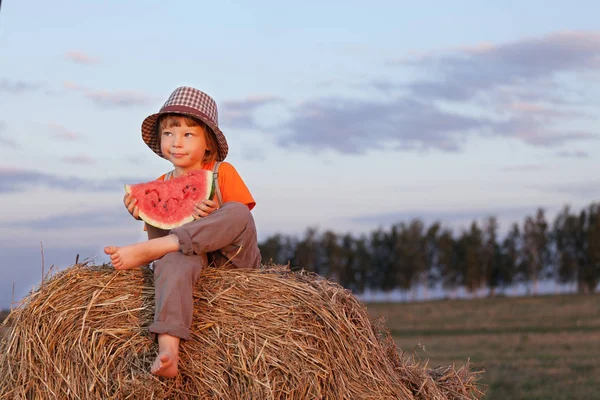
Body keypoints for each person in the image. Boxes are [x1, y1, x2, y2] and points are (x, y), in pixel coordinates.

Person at [104, 86, 262, 378]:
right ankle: (168, 352)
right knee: (171, 259)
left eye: (188, 134)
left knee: (236, 211)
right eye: (169, 134)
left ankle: (147, 254)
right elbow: (161, 242)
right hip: (189, 261)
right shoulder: (160, 183)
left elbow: (240, 224)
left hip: (233, 263)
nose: (176, 142)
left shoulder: (222, 172)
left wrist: (215, 212)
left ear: (208, 145)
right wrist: (147, 215)